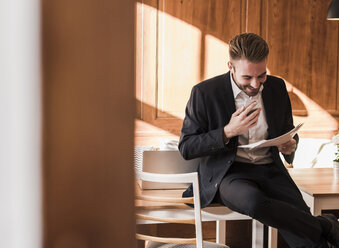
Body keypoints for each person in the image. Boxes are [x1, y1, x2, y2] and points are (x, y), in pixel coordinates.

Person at [178, 33, 339, 247]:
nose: (255, 84)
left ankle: (320, 229)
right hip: (229, 174)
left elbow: (288, 132)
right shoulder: (205, 93)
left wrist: (290, 145)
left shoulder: (276, 87)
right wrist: (227, 131)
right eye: (247, 78)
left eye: (261, 75)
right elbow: (187, 147)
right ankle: (326, 225)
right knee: (253, 203)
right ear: (231, 66)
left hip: (271, 171)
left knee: (307, 237)